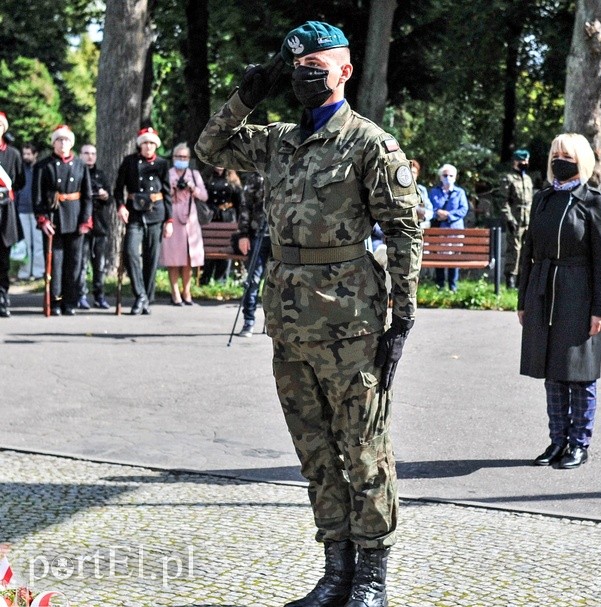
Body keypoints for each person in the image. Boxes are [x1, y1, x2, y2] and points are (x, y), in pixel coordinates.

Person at [195, 20, 422, 607]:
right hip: (289, 322)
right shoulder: (278, 141)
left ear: (345, 71)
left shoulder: (369, 144)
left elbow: (403, 231)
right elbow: (209, 148)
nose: (303, 75)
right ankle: (335, 570)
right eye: (295, 67)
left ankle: (371, 577)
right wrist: (247, 94)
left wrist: (403, 317)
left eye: (315, 66)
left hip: (351, 324)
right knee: (315, 452)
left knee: (364, 450)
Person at [517, 133, 601, 470]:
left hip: (579, 292)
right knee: (553, 372)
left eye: (567, 156)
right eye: (555, 154)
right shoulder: (542, 199)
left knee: (579, 372)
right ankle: (557, 440)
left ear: (581, 160)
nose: (559, 160)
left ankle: (579, 444)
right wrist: (523, 299)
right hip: (543, 291)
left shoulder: (594, 201)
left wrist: (600, 308)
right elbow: (528, 250)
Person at [33, 125, 93, 316]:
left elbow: (87, 196)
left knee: (73, 263)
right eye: (59, 140)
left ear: (71, 143)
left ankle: (70, 302)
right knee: (55, 263)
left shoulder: (80, 165)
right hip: (54, 218)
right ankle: (55, 301)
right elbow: (37, 197)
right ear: (54, 143)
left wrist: (85, 220)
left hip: (75, 218)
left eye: (66, 140)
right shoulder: (43, 166)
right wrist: (43, 220)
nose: (63, 143)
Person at [114, 127, 173, 315]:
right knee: (130, 252)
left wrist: (169, 220)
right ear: (140, 145)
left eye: (152, 143)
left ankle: (146, 298)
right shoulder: (129, 162)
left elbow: (167, 192)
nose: (148, 146)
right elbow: (118, 188)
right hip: (135, 213)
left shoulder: (162, 164)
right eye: (145, 143)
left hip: (156, 213)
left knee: (151, 258)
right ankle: (140, 294)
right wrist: (120, 206)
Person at [161, 143, 207, 306]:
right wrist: (172, 189)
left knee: (188, 258)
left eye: (184, 157)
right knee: (173, 258)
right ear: (173, 158)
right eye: (178, 156)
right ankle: (175, 293)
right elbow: (161, 194)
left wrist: (192, 188)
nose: (181, 159)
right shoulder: (168, 174)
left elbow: (204, 196)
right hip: (172, 217)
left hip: (190, 219)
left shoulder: (194, 174)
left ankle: (187, 292)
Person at [77, 144, 113, 310]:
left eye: (92, 153)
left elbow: (110, 198)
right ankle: (80, 295)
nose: (90, 156)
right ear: (80, 155)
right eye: (86, 153)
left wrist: (105, 195)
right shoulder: (77, 172)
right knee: (81, 263)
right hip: (82, 224)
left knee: (99, 264)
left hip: (99, 224)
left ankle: (99, 296)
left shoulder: (101, 175)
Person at [235, 171, 268, 337]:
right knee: (252, 281)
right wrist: (243, 234)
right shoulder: (257, 176)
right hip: (258, 234)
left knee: (278, 282)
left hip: (282, 237)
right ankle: (249, 321)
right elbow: (245, 205)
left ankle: (274, 322)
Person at [428, 163, 469, 291]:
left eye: (451, 175)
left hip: (455, 230)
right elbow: (429, 207)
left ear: (455, 177)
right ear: (441, 177)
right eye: (445, 175)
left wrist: (449, 215)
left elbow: (464, 209)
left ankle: (453, 287)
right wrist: (437, 213)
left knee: (454, 257)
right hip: (439, 230)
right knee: (439, 257)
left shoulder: (460, 192)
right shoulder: (434, 192)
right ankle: (440, 286)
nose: (448, 178)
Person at [0, 111, 25, 317]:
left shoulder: (13, 154)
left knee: (3, 260)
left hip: (4, 211)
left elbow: (19, 181)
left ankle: (2, 298)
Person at [498, 149, 534, 289]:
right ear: (515, 162)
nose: (525, 163)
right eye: (522, 160)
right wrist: (509, 218)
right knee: (514, 249)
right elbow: (503, 201)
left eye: (526, 160)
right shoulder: (508, 178)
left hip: (528, 219)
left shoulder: (528, 179)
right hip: (515, 218)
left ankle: (522, 280)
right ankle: (510, 279)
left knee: (527, 250)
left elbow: (530, 201)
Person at [199, 165, 241, 285]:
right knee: (209, 249)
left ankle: (221, 281)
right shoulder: (206, 177)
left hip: (228, 217)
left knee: (225, 250)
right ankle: (205, 279)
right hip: (211, 216)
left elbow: (239, 201)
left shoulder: (233, 179)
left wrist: (239, 222)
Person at [15, 143, 45, 282]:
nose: (26, 156)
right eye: (24, 154)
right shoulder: (20, 169)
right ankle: (24, 272)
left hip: (37, 211)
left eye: (28, 154)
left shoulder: (40, 169)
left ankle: (39, 271)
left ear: (35, 154)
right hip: (22, 210)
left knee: (38, 243)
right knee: (24, 243)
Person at [409, 159, 433, 229]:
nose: (411, 175)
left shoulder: (421, 190)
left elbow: (430, 210)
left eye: (414, 172)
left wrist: (423, 216)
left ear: (417, 175)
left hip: (419, 226)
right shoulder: (397, 190)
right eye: (409, 172)